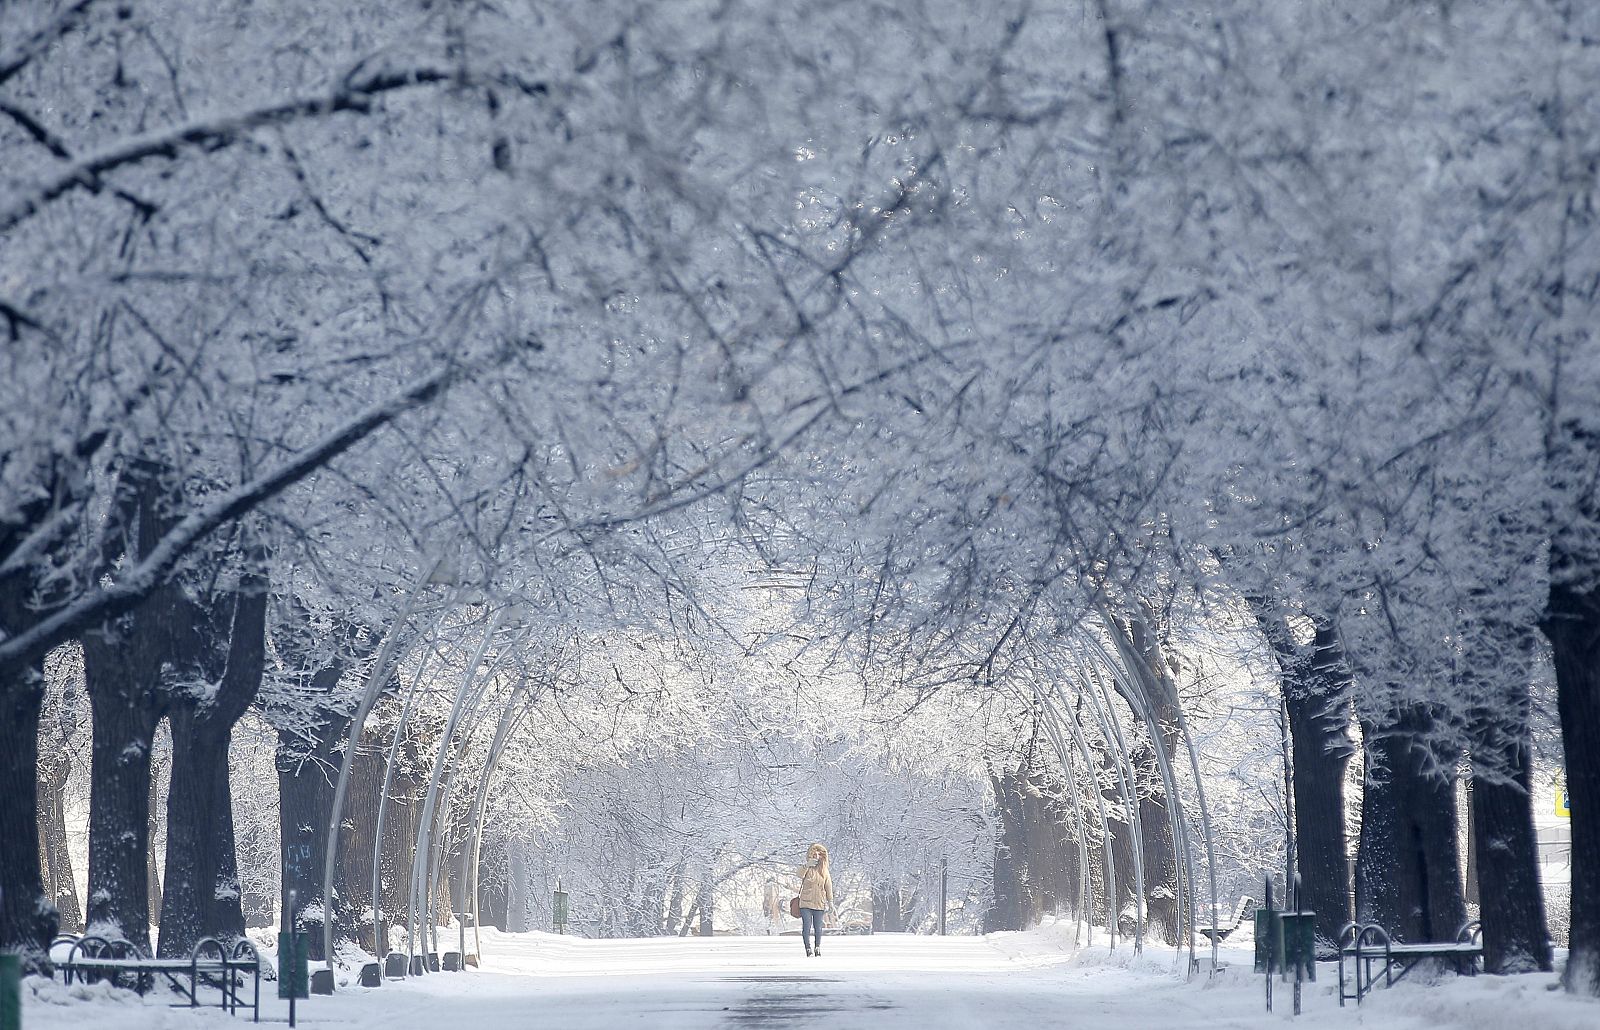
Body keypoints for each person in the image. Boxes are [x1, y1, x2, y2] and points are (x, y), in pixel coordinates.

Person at [797, 842, 833, 957]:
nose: (817, 856)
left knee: (818, 927)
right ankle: (808, 948)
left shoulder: (824, 871)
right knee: (806, 926)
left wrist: (830, 902)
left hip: (819, 903)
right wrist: (807, 865)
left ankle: (817, 947)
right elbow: (799, 874)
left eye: (819, 854)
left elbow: (828, 887)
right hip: (806, 903)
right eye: (814, 854)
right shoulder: (807, 868)